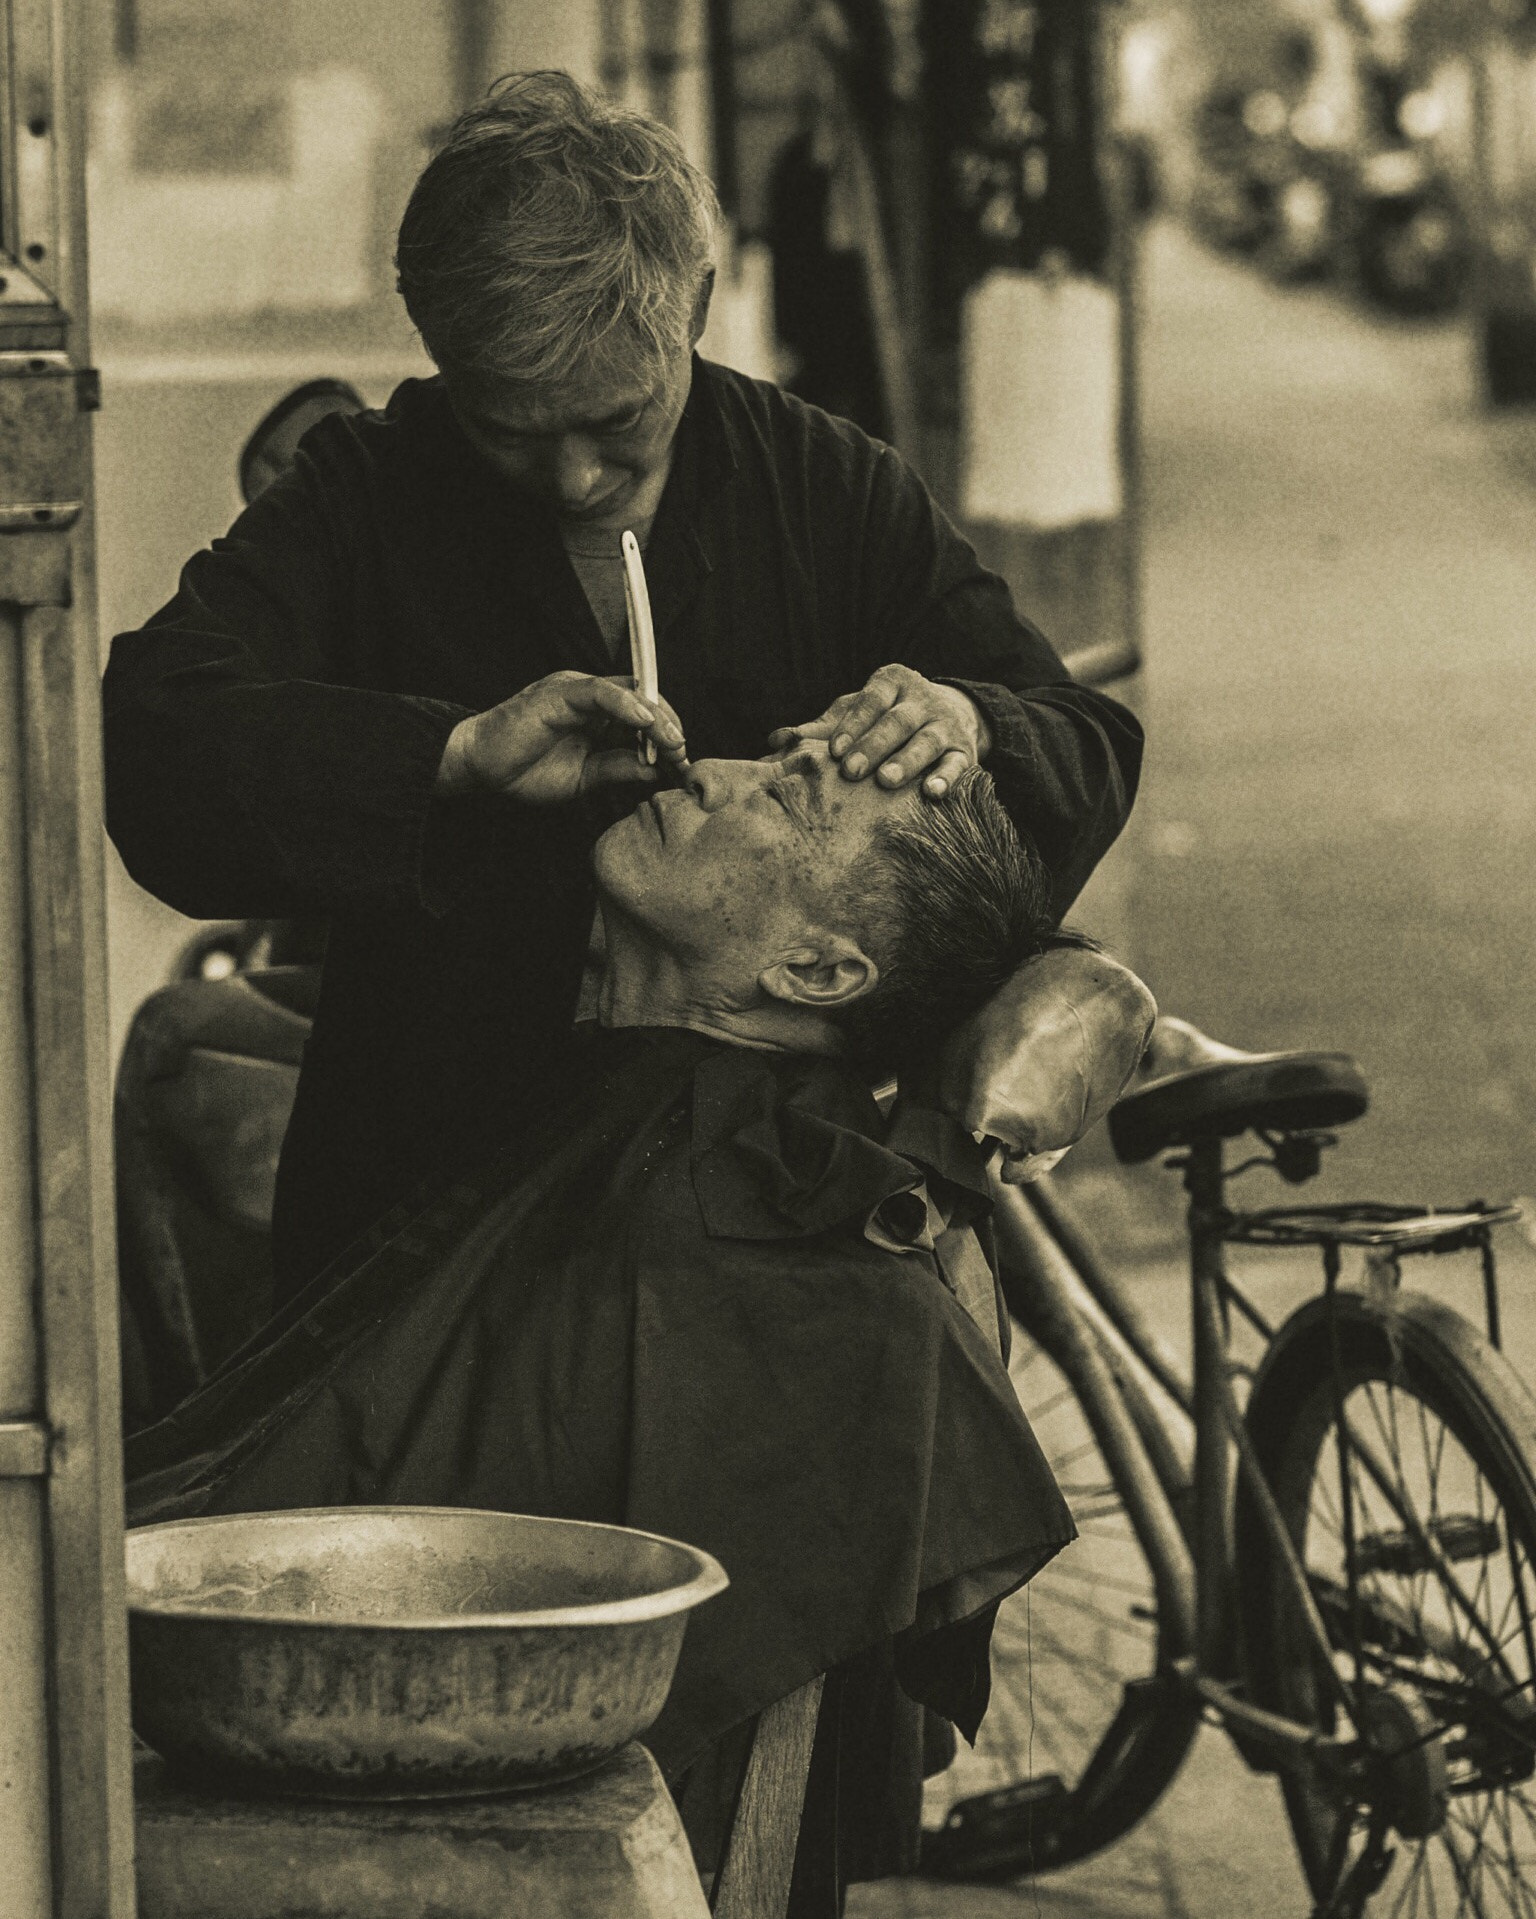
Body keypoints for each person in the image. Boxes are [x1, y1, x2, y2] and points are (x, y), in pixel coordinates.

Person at [102, 70, 1144, 1302]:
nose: (578, 479)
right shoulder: (367, 495)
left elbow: (1088, 745)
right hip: (428, 1205)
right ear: (437, 351)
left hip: (781, 1231)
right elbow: (157, 736)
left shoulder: (824, 489)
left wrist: (975, 719)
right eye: (511, 429)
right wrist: (446, 759)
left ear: (693, 303)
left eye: (616, 418)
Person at [127, 713, 1077, 1910]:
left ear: (818, 973)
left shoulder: (762, 1249)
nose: (713, 767)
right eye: (773, 757)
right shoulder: (623, 1117)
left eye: (783, 798)